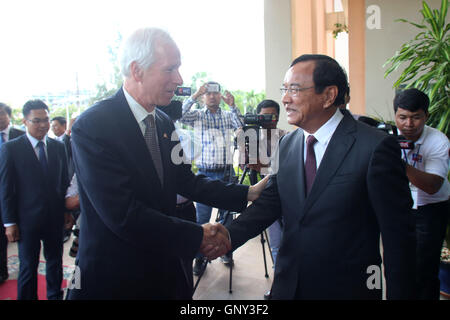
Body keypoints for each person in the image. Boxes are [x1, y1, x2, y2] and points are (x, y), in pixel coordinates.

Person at [66, 27, 266, 300]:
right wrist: (197, 234)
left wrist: (248, 193)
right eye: (170, 69)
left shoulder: (161, 121)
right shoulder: (94, 126)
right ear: (137, 71)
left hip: (166, 266)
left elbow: (186, 180)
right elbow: (122, 214)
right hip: (116, 274)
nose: (180, 79)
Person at [221, 54, 416, 300]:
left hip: (347, 289)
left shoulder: (375, 147)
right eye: (284, 89)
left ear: (329, 95)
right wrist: (227, 236)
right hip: (289, 286)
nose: (285, 98)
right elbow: (271, 204)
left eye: (294, 89)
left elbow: (398, 238)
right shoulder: (287, 144)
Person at [0, 99, 70, 300]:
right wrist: (9, 222)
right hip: (26, 220)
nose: (43, 125)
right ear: (24, 121)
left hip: (54, 218)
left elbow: (64, 182)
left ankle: (54, 295)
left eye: (46, 120)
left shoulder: (58, 147)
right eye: (37, 120)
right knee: (28, 266)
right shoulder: (12, 149)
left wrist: (66, 212)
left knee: (54, 261)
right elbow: (5, 188)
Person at [179, 81, 243, 271]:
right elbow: (179, 114)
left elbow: (241, 125)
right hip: (204, 173)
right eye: (208, 93)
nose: (212, 96)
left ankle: (226, 252)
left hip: (226, 173)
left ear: (220, 95)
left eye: (215, 93)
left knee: (227, 218)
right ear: (204, 97)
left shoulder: (227, 115)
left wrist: (233, 105)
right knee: (202, 219)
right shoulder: (197, 116)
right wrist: (194, 95)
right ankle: (200, 258)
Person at [393, 88, 450, 300]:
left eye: (416, 117)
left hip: (431, 209)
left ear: (426, 115)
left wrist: (399, 164)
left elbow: (432, 185)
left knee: (425, 268)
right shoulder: (388, 138)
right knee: (399, 265)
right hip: (400, 208)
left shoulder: (438, 141)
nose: (408, 124)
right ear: (395, 115)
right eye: (403, 117)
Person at [243, 99, 288, 299]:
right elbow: (248, 166)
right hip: (265, 200)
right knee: (276, 245)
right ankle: (280, 286)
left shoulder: (288, 139)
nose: (267, 121)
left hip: (288, 200)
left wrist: (263, 167)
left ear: (277, 116)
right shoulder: (253, 140)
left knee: (293, 243)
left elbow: (287, 172)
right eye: (262, 117)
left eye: (271, 116)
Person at [0, 102, 24, 284]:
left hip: (18, 195)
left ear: (9, 115)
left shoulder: (21, 135)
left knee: (22, 237)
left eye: (1, 114)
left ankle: (26, 269)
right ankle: (2, 272)